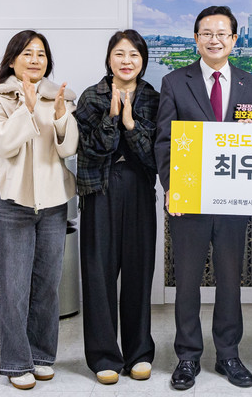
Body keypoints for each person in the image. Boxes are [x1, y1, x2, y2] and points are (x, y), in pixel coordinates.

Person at [154, 5, 252, 390]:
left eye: (222, 34)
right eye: (207, 33)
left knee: (230, 279)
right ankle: (187, 356)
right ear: (196, 39)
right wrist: (171, 188)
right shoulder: (174, 81)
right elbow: (164, 141)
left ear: (234, 39)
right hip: (190, 196)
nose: (214, 40)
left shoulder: (251, 83)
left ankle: (229, 354)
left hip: (233, 198)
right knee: (186, 280)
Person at [0, 30, 78, 390]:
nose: (36, 60)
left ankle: (41, 356)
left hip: (53, 205)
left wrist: (62, 117)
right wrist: (27, 109)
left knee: (47, 287)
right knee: (13, 290)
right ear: (12, 60)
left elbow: (69, 150)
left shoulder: (60, 97)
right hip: (11, 204)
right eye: (28, 53)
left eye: (41, 54)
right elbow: (2, 144)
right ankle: (16, 362)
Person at [74, 30, 160, 385]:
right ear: (109, 59)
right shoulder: (91, 97)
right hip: (100, 190)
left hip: (139, 190)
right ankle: (104, 356)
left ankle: (139, 353)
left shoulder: (153, 98)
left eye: (134, 55)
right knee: (99, 275)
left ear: (143, 60)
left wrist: (130, 123)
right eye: (120, 54)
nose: (127, 61)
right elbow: (90, 150)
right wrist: (112, 117)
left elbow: (155, 157)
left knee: (139, 274)